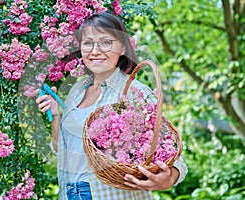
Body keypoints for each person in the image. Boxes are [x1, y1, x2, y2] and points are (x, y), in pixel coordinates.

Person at [36, 12, 188, 200]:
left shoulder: (134, 92)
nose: (95, 51)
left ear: (123, 48)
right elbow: (63, 151)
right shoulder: (77, 90)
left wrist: (169, 178)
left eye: (106, 42)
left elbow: (174, 154)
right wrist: (56, 116)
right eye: (88, 43)